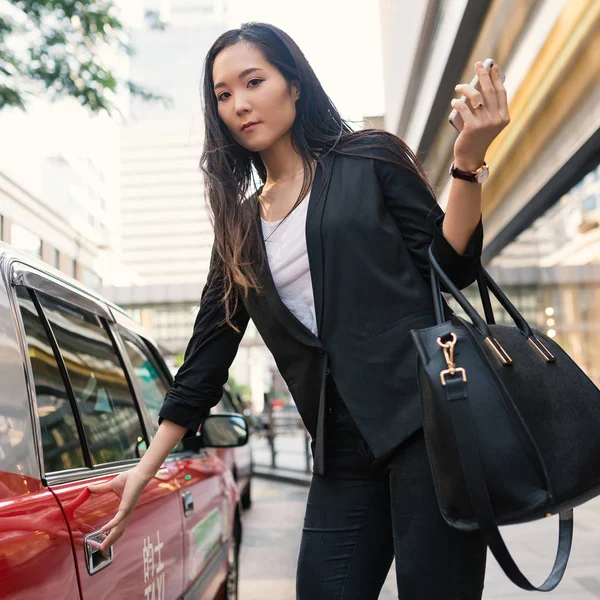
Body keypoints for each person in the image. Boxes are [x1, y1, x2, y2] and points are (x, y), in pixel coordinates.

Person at [88, 21, 510, 599]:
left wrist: (467, 164)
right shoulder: (238, 227)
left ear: (294, 83)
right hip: (339, 448)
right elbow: (206, 360)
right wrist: (143, 471)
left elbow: (450, 267)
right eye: (223, 95)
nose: (239, 104)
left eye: (252, 81)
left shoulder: (371, 159)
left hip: (429, 425)